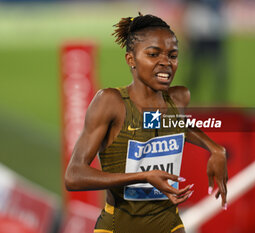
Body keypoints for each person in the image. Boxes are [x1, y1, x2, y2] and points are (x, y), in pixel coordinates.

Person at [64, 13, 228, 233]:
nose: (165, 63)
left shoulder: (179, 98)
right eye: (153, 54)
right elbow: (74, 176)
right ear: (131, 59)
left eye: (173, 55)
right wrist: (144, 177)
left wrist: (215, 148)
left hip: (169, 224)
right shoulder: (111, 102)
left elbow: (173, 123)